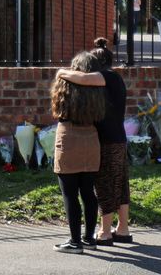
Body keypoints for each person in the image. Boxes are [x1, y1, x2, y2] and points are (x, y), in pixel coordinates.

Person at [56, 38, 132, 246]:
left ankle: (105, 232)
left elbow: (83, 78)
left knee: (105, 186)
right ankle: (123, 229)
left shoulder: (107, 77)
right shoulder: (114, 80)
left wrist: (61, 73)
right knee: (121, 184)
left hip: (107, 141)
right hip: (118, 139)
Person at [50, 51, 106, 254]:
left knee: (69, 194)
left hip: (68, 137)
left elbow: (58, 109)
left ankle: (74, 241)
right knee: (88, 192)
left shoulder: (66, 83)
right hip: (91, 138)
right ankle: (89, 237)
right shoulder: (99, 89)